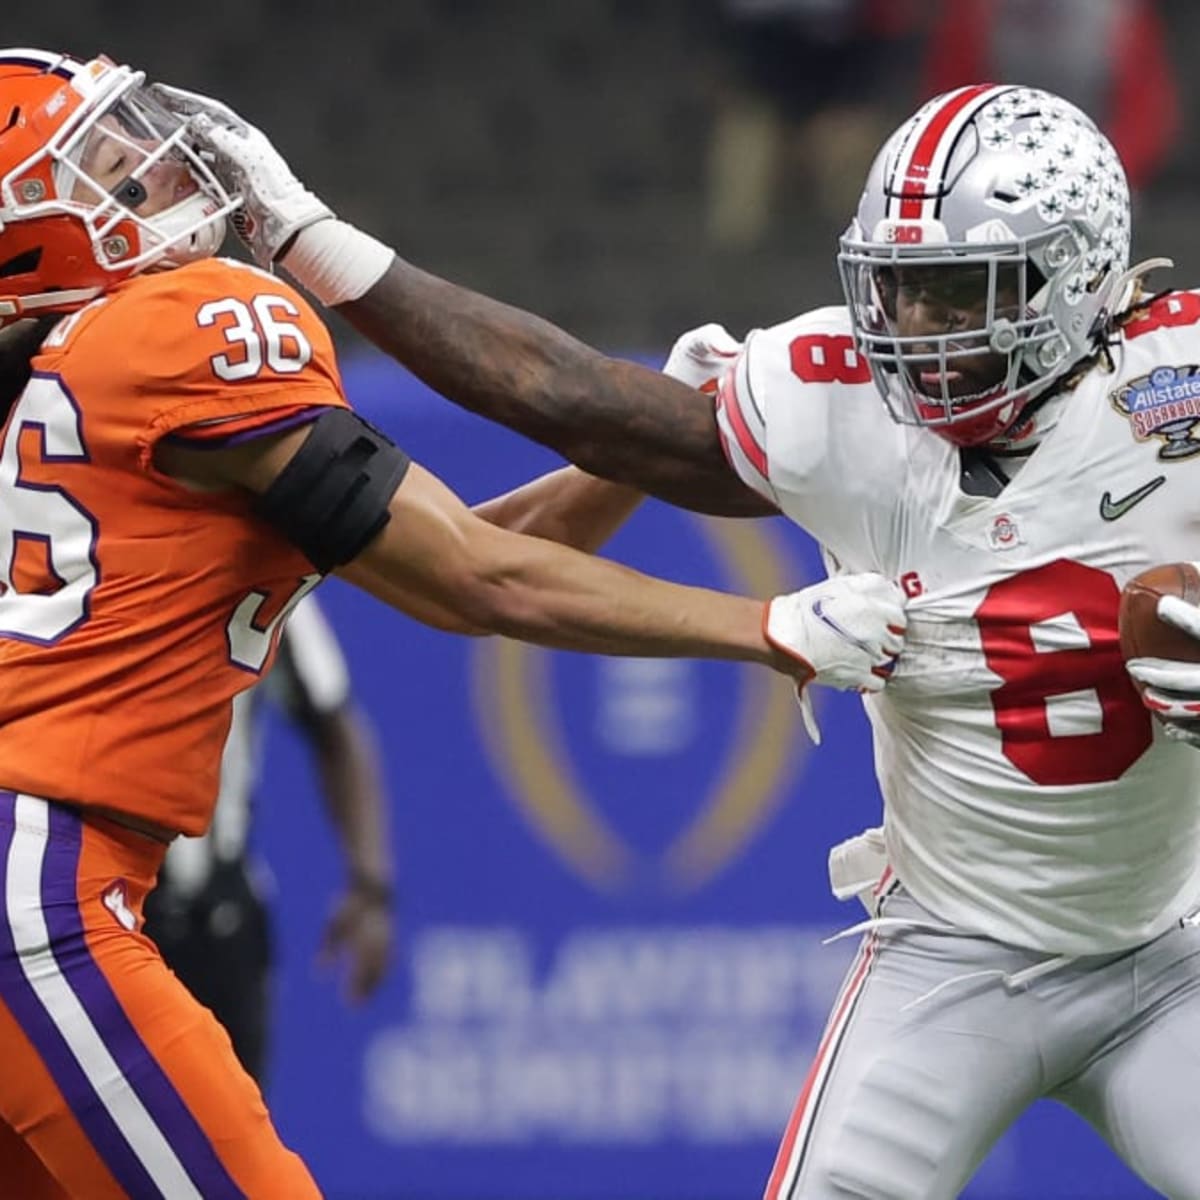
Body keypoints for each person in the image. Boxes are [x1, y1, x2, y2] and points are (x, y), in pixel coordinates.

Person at [186, 77, 1200, 1198]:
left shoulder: (1175, 397)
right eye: (898, 295)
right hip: (950, 956)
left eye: (959, 295)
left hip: (1173, 953)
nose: (917, 334)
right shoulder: (842, 402)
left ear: (1082, 277)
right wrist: (318, 247)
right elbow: (571, 403)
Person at [0, 48, 909, 1200]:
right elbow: (480, 582)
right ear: (29, 233)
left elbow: (450, 562)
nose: (154, 166)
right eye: (105, 167)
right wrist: (767, 623)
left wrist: (622, 455)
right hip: (38, 881)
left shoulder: (71, 381)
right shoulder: (186, 326)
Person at [142, 591, 394, 1085]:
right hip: (82, 904)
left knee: (223, 1148)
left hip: (214, 918)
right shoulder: (55, 543)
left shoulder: (260, 562)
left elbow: (335, 723)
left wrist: (371, 886)